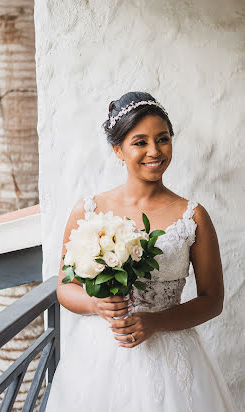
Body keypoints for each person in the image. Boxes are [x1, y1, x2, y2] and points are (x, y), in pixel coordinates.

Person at [46, 91, 237, 411]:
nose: (154, 151)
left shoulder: (193, 216)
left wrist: (156, 322)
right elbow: (65, 287)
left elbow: (212, 300)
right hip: (99, 357)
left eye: (163, 139)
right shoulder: (89, 212)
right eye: (140, 142)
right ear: (117, 149)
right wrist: (96, 304)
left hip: (173, 354)